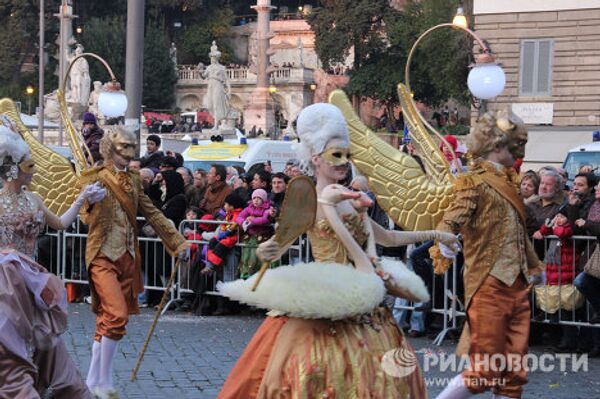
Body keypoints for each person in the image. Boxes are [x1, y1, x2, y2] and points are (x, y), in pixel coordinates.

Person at [217, 103, 459, 398]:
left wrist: (436, 234)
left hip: (367, 306)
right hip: (326, 301)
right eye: (336, 155)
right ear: (316, 158)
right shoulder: (308, 200)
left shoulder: (351, 199)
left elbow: (387, 236)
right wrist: (269, 249)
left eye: (347, 155)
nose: (343, 162)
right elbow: (277, 245)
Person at [432, 112, 544, 399]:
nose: (520, 152)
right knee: (484, 372)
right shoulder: (475, 183)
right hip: (488, 284)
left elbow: (516, 233)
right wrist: (444, 240)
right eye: (514, 146)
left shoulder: (510, 182)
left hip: (517, 286)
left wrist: (533, 266)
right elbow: (451, 218)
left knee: (513, 375)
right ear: (496, 145)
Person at [79, 126, 189, 398]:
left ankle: (94, 379)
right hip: (102, 254)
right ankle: (104, 382)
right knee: (117, 314)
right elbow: (83, 217)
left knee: (107, 319)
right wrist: (89, 201)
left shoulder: (136, 179)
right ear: (110, 148)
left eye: (131, 146)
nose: (129, 152)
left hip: (128, 256)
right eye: (123, 147)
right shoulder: (94, 177)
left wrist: (177, 241)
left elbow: (152, 213)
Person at [0, 120, 105, 398]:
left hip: (32, 284)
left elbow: (59, 223)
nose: (34, 172)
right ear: (13, 169)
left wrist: (82, 198)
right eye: (29, 167)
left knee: (44, 342)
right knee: (10, 344)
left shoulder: (34, 200)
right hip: (5, 287)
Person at [236, 188, 274, 279]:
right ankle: (245, 275)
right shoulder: (249, 208)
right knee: (247, 255)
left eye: (259, 198)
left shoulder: (267, 208)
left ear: (263, 199)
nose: (256, 200)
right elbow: (239, 217)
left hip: (263, 236)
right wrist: (245, 221)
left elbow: (264, 219)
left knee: (258, 257)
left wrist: (252, 220)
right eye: (254, 198)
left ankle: (259, 276)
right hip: (250, 236)